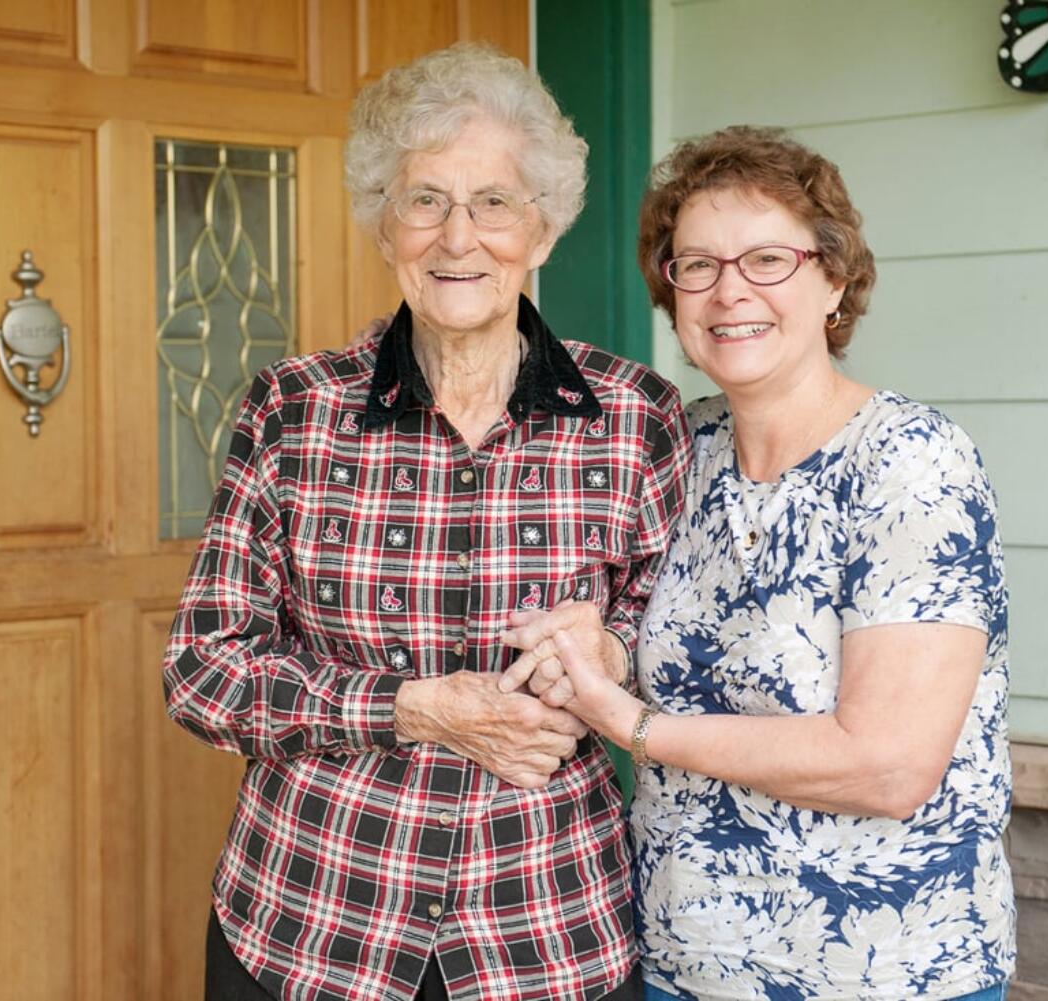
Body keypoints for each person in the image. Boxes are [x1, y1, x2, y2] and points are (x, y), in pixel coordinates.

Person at [162, 43, 690, 1001]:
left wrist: (610, 654)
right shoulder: (292, 411)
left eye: (494, 202)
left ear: (543, 228)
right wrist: (414, 709)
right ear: (382, 221)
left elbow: (681, 654)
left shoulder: (637, 417)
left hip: (549, 927)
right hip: (313, 924)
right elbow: (204, 671)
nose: (459, 237)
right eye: (425, 199)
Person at [501, 126, 1015, 1000]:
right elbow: (623, 618)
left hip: (884, 970)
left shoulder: (911, 462)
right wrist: (593, 645)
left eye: (767, 259)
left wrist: (630, 722)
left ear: (835, 279)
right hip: (675, 960)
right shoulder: (678, 446)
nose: (728, 289)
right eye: (695, 264)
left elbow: (889, 764)